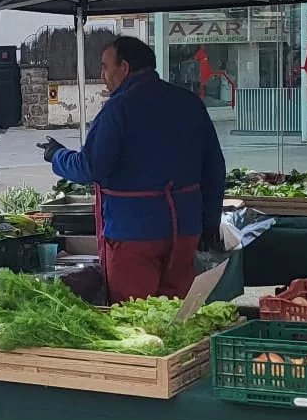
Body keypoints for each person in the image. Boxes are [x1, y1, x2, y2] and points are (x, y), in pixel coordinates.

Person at [42, 36, 226, 301]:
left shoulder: (118, 109)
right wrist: (209, 222)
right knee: (178, 316)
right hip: (184, 230)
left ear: (124, 68)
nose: (102, 74)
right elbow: (214, 168)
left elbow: (91, 167)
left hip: (134, 235)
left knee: (134, 321)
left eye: (105, 67)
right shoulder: (188, 102)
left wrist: (57, 156)